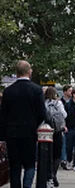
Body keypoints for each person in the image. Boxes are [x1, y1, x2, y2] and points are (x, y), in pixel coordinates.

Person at [0, 60, 46, 188]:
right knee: (30, 165)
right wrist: (34, 125)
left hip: (12, 134)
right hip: (29, 133)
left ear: (16, 73)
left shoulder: (8, 91)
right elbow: (42, 113)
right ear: (29, 71)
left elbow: (3, 115)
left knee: (15, 166)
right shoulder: (36, 90)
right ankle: (27, 186)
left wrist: (2, 137)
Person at [44, 87, 67, 187]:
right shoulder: (59, 103)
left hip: (46, 131)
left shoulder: (43, 103)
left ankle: (48, 173)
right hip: (57, 131)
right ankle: (54, 173)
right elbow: (64, 115)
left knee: (47, 153)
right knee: (57, 154)